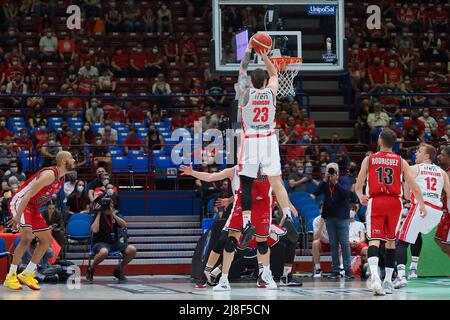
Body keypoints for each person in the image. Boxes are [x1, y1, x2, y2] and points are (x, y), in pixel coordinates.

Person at [180, 164, 296, 291]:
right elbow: (212, 177)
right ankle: (210, 275)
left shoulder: (268, 170)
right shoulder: (235, 170)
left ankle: (273, 275)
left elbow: (279, 190)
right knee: (225, 242)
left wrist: (287, 208)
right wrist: (193, 173)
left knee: (265, 242)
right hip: (241, 209)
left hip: (261, 210)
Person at [235, 36, 295, 252]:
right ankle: (287, 215)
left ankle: (247, 222)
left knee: (247, 184)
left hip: (251, 141)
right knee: (276, 180)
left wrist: (250, 51)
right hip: (269, 139)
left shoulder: (245, 93)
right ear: (264, 83)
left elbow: (242, 69)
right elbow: (274, 73)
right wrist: (264, 54)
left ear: (252, 82)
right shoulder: (270, 93)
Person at [355, 128, 426, 296]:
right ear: (393, 143)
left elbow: (358, 186)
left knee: (374, 240)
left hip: (377, 201)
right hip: (395, 202)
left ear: (380, 140)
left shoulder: (369, 159)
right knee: (390, 241)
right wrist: (421, 204)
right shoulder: (401, 161)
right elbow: (414, 187)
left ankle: (374, 277)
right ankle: (387, 281)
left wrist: (360, 197)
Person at [4, 151, 76, 291]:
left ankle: (28, 273)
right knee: (26, 238)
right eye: (71, 158)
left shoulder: (61, 179)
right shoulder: (49, 174)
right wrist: (18, 216)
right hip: (21, 203)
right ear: (63, 161)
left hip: (33, 207)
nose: (74, 160)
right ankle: (10, 276)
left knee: (46, 240)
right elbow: (27, 195)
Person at [394, 144, 450, 289]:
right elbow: (449, 194)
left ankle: (400, 276)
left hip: (421, 208)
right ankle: (413, 267)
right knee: (416, 234)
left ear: (427, 156)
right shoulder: (442, 172)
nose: (416, 154)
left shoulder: (414, 168)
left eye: (419, 151)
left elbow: (406, 194)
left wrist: (408, 195)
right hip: (436, 213)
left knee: (401, 241)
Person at [311, 163, 354, 280]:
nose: (331, 173)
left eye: (333, 171)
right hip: (329, 218)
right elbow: (315, 193)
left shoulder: (344, 180)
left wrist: (335, 182)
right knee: (333, 245)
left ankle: (348, 270)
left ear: (338, 172)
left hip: (342, 218)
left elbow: (346, 194)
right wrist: (325, 180)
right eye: (329, 171)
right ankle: (335, 270)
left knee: (345, 244)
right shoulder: (325, 183)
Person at [86, 203, 137, 282]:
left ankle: (118, 270)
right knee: (104, 252)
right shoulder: (97, 216)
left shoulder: (116, 215)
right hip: (100, 243)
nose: (107, 207)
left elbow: (124, 225)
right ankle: (91, 268)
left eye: (110, 204)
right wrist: (99, 214)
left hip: (115, 243)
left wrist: (113, 214)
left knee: (132, 250)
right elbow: (94, 230)